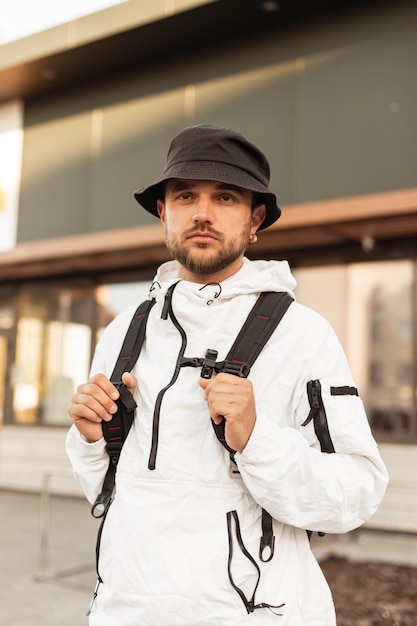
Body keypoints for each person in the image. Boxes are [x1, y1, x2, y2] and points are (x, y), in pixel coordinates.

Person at [66, 124, 388, 626]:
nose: (202, 212)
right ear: (163, 211)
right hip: (125, 610)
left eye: (226, 197)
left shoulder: (302, 334)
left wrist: (257, 438)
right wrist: (93, 438)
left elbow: (355, 495)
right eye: (186, 195)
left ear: (255, 219)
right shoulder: (124, 333)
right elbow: (108, 490)